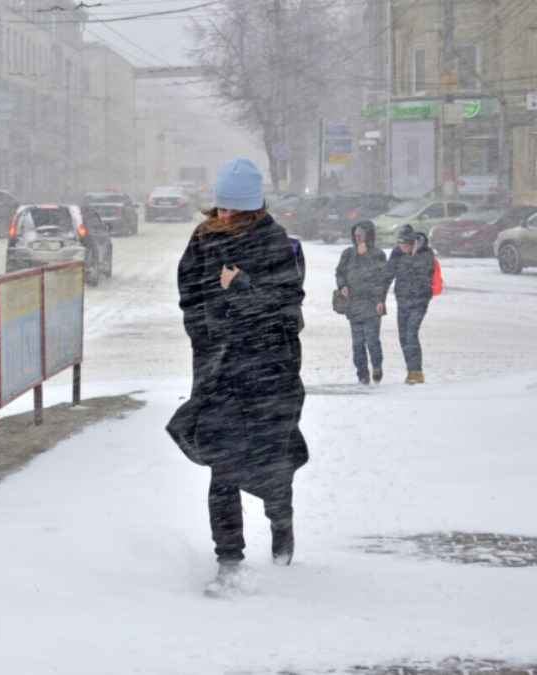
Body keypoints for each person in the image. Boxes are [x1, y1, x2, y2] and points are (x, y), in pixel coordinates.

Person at [168, 158, 308, 597]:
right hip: (220, 374)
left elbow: (288, 309)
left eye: (234, 210)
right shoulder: (203, 239)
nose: (224, 217)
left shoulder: (274, 243)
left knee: (272, 466)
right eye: (220, 208)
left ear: (253, 208)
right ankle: (228, 560)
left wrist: (243, 289)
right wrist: (206, 333)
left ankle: (281, 532)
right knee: (222, 467)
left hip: (268, 374)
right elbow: (188, 294)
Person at [335, 221, 388, 385]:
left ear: (369, 236)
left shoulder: (378, 254)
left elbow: (381, 279)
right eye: (356, 235)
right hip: (354, 304)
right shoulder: (348, 254)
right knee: (358, 344)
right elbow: (340, 272)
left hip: (372, 304)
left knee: (372, 340)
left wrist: (380, 300)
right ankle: (362, 374)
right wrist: (342, 285)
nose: (358, 238)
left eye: (361, 235)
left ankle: (377, 367)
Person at [382, 225, 435, 384]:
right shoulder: (397, 253)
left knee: (411, 334)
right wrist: (380, 298)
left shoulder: (425, 253)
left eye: (404, 244)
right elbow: (388, 275)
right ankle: (411, 370)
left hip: (420, 301)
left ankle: (417, 372)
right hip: (403, 301)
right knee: (404, 337)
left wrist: (413, 257)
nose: (401, 247)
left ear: (412, 243)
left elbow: (424, 275)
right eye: (399, 244)